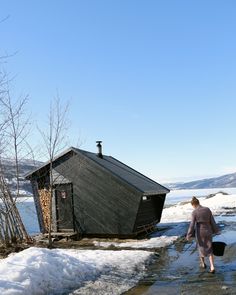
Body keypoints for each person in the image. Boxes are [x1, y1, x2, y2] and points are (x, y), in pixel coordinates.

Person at [186, 196, 219, 273]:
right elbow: (212, 221)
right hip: (208, 231)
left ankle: (203, 264)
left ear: (193, 205)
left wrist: (189, 235)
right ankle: (212, 266)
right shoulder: (207, 209)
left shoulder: (194, 212)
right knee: (209, 248)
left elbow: (192, 225)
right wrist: (216, 230)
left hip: (200, 232)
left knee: (201, 247)